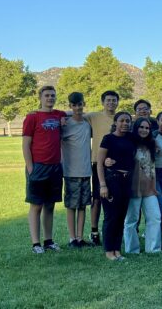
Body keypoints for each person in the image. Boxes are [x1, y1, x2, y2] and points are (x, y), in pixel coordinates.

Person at [23, 86, 65, 253]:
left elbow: (73, 112)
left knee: (50, 205)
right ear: (40, 98)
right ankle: (36, 244)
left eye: (53, 95)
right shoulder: (32, 117)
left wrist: (66, 117)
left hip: (55, 167)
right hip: (38, 166)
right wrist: (30, 167)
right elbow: (26, 144)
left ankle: (48, 241)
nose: (50, 98)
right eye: (47, 95)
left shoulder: (59, 115)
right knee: (36, 205)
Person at [97, 111, 137, 260]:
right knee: (111, 217)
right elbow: (100, 164)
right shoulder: (108, 139)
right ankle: (109, 251)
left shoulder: (131, 138)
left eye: (128, 121)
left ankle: (117, 250)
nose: (125, 123)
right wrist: (103, 185)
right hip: (111, 180)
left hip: (127, 181)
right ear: (115, 122)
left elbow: (147, 138)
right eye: (122, 121)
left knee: (121, 217)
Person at [85, 89, 119, 246]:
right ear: (103, 102)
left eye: (114, 100)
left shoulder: (120, 118)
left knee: (115, 198)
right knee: (98, 198)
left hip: (117, 164)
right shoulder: (94, 116)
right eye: (108, 100)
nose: (111, 103)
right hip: (98, 163)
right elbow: (76, 114)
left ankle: (113, 230)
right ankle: (94, 231)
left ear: (117, 102)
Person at [123, 117, 162, 254]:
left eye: (147, 128)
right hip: (133, 188)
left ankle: (153, 249)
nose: (144, 130)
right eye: (141, 127)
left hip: (149, 189)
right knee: (131, 220)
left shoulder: (151, 144)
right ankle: (132, 250)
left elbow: (152, 167)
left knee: (155, 217)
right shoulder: (129, 143)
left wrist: (154, 187)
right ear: (136, 128)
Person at [61, 92, 92, 248]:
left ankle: (80, 237)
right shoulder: (65, 124)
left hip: (86, 171)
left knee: (82, 205)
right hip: (71, 172)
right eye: (74, 105)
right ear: (70, 106)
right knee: (72, 206)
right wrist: (64, 116)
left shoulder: (87, 124)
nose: (78, 108)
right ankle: (72, 238)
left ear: (83, 104)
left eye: (80, 104)